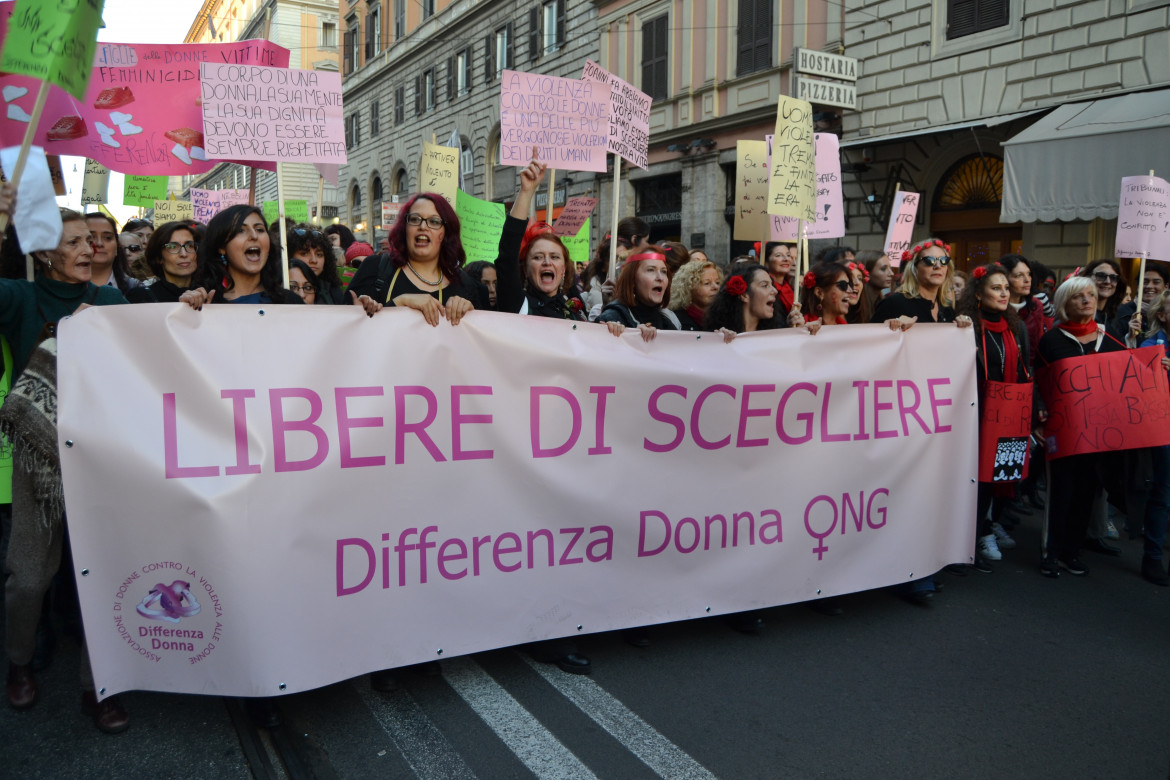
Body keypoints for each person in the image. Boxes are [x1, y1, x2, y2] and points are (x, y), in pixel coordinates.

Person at [1, 208, 129, 732]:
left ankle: (96, 686)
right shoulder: (20, 297)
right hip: (41, 455)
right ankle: (19, 662)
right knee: (30, 578)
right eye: (73, 241)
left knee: (101, 577)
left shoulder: (112, 303)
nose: (88, 249)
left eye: (92, 241)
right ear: (43, 252)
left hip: (102, 458)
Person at [1035, 276, 1137, 578]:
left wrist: (1158, 368)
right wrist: (1038, 418)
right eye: (1078, 296)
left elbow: (1133, 377)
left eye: (1090, 295)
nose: (1087, 300)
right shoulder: (1051, 341)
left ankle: (1072, 552)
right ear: (1065, 303)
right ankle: (1051, 553)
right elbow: (1038, 383)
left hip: (1099, 436)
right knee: (1061, 493)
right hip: (1063, 432)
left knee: (1086, 493)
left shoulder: (1112, 340)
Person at [956, 264, 1033, 570]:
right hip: (972, 415)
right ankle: (961, 544)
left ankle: (980, 535)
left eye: (1006, 288)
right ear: (978, 294)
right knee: (969, 480)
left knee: (991, 481)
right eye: (996, 288)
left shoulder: (1016, 328)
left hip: (1007, 415)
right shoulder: (965, 326)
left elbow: (1026, 368)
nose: (1004, 293)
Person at [345, 194, 483, 323]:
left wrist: (472, 317)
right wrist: (400, 302)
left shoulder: (466, 285)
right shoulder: (375, 269)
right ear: (404, 229)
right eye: (415, 219)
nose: (423, 227)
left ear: (446, 233)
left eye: (434, 221)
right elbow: (347, 330)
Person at [187, 205, 303, 306]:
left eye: (260, 229)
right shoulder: (206, 302)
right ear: (222, 247)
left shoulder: (290, 302)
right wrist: (188, 310)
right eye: (241, 230)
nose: (254, 236)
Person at [1138, 290, 1170, 585]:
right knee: (1163, 492)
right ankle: (1153, 557)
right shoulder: (1152, 347)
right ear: (1162, 315)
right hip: (1164, 431)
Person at [596, 246, 678, 340]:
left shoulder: (667, 321)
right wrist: (632, 334)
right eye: (651, 270)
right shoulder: (613, 317)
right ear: (632, 279)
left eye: (664, 272)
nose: (660, 278)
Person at [872, 239, 959, 326]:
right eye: (929, 260)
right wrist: (892, 325)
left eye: (944, 260)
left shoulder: (947, 308)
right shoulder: (894, 303)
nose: (938, 266)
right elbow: (871, 336)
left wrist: (964, 325)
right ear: (914, 268)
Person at [125, 222, 202, 303]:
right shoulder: (141, 297)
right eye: (172, 247)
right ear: (159, 257)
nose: (184, 254)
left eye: (190, 246)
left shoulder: (210, 294)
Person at [704, 265, 785, 334]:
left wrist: (794, 330)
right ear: (744, 295)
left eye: (772, 285)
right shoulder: (718, 334)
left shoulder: (774, 335)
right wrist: (719, 340)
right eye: (764, 285)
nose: (775, 291)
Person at [1109, 262, 1169, 342]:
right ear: (1138, 286)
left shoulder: (1167, 314)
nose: (1149, 286)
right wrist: (1129, 337)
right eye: (1145, 282)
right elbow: (1113, 348)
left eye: (1156, 282)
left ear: (1166, 286)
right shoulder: (1120, 313)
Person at [286, 225, 345, 304]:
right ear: (288, 255)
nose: (314, 260)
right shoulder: (278, 288)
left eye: (319, 254)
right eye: (304, 253)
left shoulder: (334, 293)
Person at [86, 212, 137, 294]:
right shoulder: (61, 289)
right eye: (91, 237)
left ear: (117, 246)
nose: (99, 243)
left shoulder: (135, 288)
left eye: (107, 238)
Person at [670, 259, 722, 331]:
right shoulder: (675, 320)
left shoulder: (723, 318)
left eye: (717, 282)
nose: (716, 287)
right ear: (689, 288)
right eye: (707, 283)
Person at [800, 262, 853, 326]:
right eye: (843, 285)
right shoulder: (804, 327)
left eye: (849, 284)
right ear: (819, 293)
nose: (850, 290)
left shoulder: (844, 327)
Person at [1078, 259, 1125, 326]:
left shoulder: (1116, 317)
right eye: (1101, 276)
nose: (1108, 282)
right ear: (1087, 277)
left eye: (1113, 277)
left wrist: (1129, 336)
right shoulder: (1078, 314)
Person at [851, 250, 890, 324]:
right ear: (866, 273)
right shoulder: (853, 306)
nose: (891, 273)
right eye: (883, 269)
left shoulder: (885, 304)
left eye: (890, 268)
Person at [763, 242, 795, 313]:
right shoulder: (764, 291)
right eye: (778, 255)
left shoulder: (792, 288)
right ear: (766, 262)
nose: (786, 259)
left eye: (788, 255)